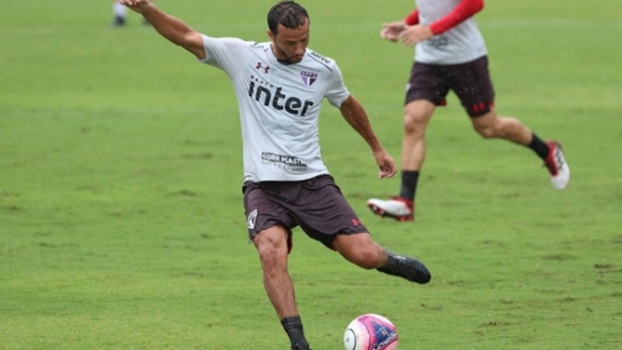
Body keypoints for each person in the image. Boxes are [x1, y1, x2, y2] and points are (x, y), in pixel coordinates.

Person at [117, 1, 431, 349]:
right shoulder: (242, 56)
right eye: (289, 43)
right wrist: (147, 9)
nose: (298, 50)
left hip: (312, 182)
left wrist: (376, 147)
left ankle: (391, 260)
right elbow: (185, 35)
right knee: (270, 250)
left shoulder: (324, 69)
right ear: (271, 35)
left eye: (304, 40)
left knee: (364, 256)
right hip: (262, 185)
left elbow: (347, 103)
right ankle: (298, 342)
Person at [366, 0, 570, 222]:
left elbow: (474, 3)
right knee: (413, 121)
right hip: (429, 59)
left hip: (466, 59)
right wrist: (408, 23)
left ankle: (546, 150)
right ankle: (405, 201)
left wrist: (430, 29)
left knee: (488, 127)